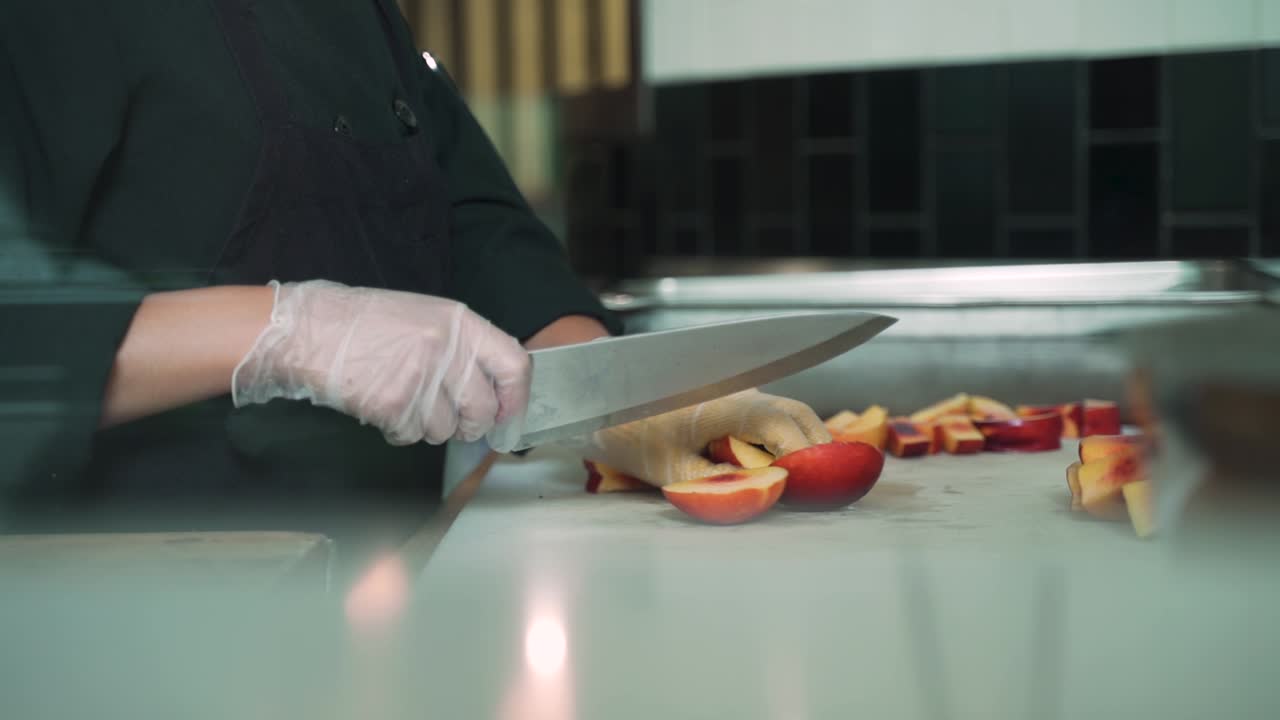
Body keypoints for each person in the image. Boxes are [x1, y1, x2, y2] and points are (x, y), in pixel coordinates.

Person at [0, 0, 829, 541]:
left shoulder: (362, 15)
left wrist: (615, 397)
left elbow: (474, 222)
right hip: (140, 599)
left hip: (391, 572)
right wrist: (294, 334)